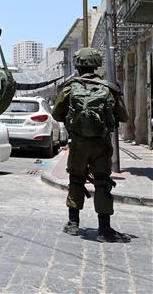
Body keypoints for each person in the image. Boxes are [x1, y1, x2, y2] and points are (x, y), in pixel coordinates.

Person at [52, 47, 131, 243]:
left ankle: (73, 224)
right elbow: (124, 116)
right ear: (96, 65)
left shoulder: (70, 87)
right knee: (102, 182)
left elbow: (56, 114)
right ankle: (104, 229)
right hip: (101, 144)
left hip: (78, 144)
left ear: (78, 66)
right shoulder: (109, 89)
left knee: (76, 179)